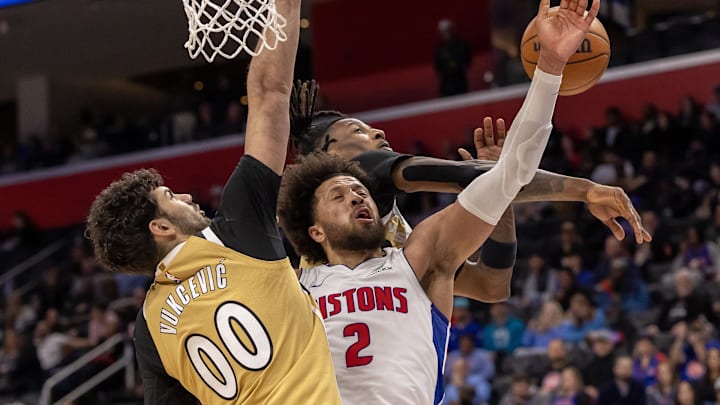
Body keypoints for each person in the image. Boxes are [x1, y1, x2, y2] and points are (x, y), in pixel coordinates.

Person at [278, 1, 603, 402]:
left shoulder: (408, 247)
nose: (377, 132)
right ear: (329, 155)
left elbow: (491, 284)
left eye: (356, 190)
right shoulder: (364, 170)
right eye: (357, 130)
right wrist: (583, 190)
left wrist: (497, 192)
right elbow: (486, 178)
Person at [85, 0, 341, 402]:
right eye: (171, 197)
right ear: (162, 227)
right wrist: (285, 7)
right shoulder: (235, 233)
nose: (187, 197)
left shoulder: (150, 328)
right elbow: (269, 94)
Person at [433, 18, 472, 96]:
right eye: (443, 31)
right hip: (447, 85)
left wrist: (456, 64)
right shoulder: (440, 49)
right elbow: (438, 68)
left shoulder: (461, 45)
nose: (446, 34)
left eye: (448, 30)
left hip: (461, 83)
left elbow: (467, 62)